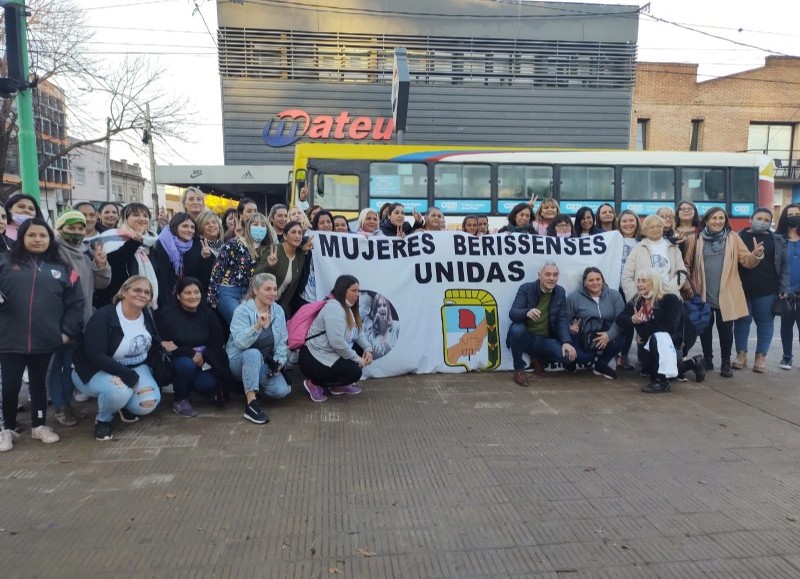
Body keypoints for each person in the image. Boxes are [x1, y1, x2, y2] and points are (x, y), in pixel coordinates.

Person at [0, 218, 84, 451]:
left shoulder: (62, 269)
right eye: (32, 235)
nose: (38, 240)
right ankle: (6, 428)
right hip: (9, 339)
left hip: (45, 340)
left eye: (43, 236)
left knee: (39, 384)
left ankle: (39, 425)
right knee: (10, 385)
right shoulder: (5, 263)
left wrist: (66, 333)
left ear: (50, 239)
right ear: (22, 238)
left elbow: (76, 304)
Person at [72, 276, 163, 441]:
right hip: (97, 369)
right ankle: (103, 420)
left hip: (135, 366)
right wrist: (127, 376)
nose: (142, 294)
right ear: (123, 292)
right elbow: (95, 355)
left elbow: (153, 343)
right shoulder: (103, 316)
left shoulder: (146, 314)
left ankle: (122, 406)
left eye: (147, 292)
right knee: (119, 391)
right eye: (137, 290)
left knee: (147, 404)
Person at [49, 210, 111, 427]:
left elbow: (100, 284)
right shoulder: (54, 252)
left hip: (84, 320)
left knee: (72, 365)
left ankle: (67, 404)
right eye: (71, 228)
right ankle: (60, 407)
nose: (76, 232)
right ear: (60, 228)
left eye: (80, 228)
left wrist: (101, 264)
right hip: (62, 322)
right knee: (59, 365)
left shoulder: (84, 253)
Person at [690, 206, 763, 377]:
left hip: (726, 293)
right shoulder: (697, 239)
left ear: (725, 221)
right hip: (703, 293)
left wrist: (756, 255)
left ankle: (725, 362)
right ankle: (708, 360)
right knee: (705, 330)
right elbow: (689, 264)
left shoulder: (733, 238)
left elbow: (746, 261)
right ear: (706, 221)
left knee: (725, 331)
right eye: (714, 218)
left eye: (721, 218)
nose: (718, 221)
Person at [617, 268, 705, 393]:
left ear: (654, 282)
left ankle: (661, 381)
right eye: (638, 281)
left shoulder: (670, 299)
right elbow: (620, 319)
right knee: (651, 369)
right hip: (650, 343)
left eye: (644, 281)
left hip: (675, 341)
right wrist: (632, 319)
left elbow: (669, 327)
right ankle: (694, 363)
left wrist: (644, 332)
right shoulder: (636, 300)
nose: (639, 284)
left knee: (659, 338)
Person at [156, 277, 232, 417]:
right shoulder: (167, 315)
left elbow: (217, 341)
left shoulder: (207, 313)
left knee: (208, 385)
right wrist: (191, 354)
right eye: (188, 293)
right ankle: (180, 399)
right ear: (178, 295)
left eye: (196, 292)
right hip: (179, 360)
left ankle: (188, 386)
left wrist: (204, 356)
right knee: (186, 365)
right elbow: (165, 346)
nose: (193, 296)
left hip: (204, 360)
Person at [227, 273, 291, 424]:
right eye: (267, 289)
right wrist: (257, 326)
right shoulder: (242, 311)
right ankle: (251, 405)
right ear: (256, 291)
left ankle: (249, 383)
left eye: (274, 289)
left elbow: (282, 342)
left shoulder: (278, 311)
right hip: (239, 360)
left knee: (281, 391)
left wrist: (279, 362)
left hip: (263, 363)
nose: (273, 293)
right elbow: (240, 343)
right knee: (253, 354)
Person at [299, 274, 373, 402]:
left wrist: (368, 349)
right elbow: (337, 343)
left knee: (360, 351)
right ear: (343, 290)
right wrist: (358, 359)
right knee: (355, 372)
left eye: (358, 291)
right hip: (313, 357)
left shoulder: (349, 308)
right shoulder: (334, 309)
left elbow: (358, 332)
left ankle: (337, 386)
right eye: (353, 291)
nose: (357, 294)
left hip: (329, 354)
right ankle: (314, 383)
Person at [732, 208, 789, 372]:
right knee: (742, 322)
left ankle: (760, 357)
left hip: (767, 289)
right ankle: (741, 355)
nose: (762, 222)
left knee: (765, 323)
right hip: (741, 289)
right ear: (750, 219)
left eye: (766, 220)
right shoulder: (738, 237)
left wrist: (784, 287)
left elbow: (784, 267)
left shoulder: (777, 240)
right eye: (759, 218)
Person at [506, 261, 576, 387]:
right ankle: (519, 370)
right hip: (526, 336)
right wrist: (527, 312)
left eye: (555, 275)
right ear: (539, 275)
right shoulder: (526, 288)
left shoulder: (560, 292)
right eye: (548, 274)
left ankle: (538, 359)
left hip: (544, 339)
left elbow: (561, 320)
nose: (551, 278)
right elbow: (513, 313)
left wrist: (566, 342)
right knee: (516, 330)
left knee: (567, 356)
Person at [91, 202, 159, 309]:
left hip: (145, 303)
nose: (142, 218)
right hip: (118, 302)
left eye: (145, 216)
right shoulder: (112, 237)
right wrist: (134, 242)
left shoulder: (152, 241)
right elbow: (114, 265)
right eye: (136, 215)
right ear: (124, 218)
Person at [208, 213, 272, 325]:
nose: (259, 228)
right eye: (255, 224)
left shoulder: (266, 250)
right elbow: (217, 268)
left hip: (249, 294)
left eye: (263, 225)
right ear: (248, 227)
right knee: (241, 323)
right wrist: (212, 295)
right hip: (229, 291)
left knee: (250, 327)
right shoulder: (235, 243)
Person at [565, 267, 626, 379]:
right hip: (585, 336)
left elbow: (621, 319)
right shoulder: (574, 298)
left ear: (603, 280)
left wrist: (609, 335)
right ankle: (578, 360)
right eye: (591, 280)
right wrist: (572, 327)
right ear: (584, 283)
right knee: (584, 358)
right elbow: (565, 319)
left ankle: (601, 365)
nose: (595, 283)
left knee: (624, 334)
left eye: (598, 279)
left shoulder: (615, 295)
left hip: (607, 333)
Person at [621, 214, 687, 300]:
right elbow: (626, 276)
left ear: (663, 228)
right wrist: (636, 296)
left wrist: (670, 289)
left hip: (670, 297)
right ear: (645, 230)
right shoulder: (638, 249)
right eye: (651, 227)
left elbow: (681, 272)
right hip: (643, 299)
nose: (656, 229)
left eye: (659, 226)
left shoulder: (673, 247)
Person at [255, 220, 310, 318]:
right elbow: (256, 275)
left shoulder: (300, 256)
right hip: (260, 305)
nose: (297, 235)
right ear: (284, 236)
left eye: (300, 233)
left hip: (280, 310)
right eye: (293, 232)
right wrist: (269, 265)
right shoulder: (274, 250)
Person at [152, 212, 198, 308]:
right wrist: (169, 306)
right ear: (175, 227)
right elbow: (162, 278)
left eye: (192, 227)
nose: (189, 230)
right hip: (165, 299)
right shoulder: (163, 243)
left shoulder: (190, 245)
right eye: (185, 226)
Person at [774, 204, 800, 370]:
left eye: (797, 214)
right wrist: (783, 288)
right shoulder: (777, 239)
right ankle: (787, 357)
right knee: (786, 326)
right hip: (785, 291)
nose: (794, 216)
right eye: (790, 214)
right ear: (784, 217)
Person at [615, 209, 641, 370]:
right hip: (616, 287)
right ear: (619, 224)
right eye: (624, 221)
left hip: (635, 290)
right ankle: (615, 354)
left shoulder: (642, 242)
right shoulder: (612, 241)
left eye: (631, 220)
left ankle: (624, 355)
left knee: (632, 322)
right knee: (618, 322)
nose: (628, 224)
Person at [675, 200, 700, 270]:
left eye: (690, 208)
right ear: (677, 212)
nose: (686, 211)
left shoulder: (701, 231)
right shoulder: (671, 231)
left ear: (695, 212)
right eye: (683, 209)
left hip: (696, 270)